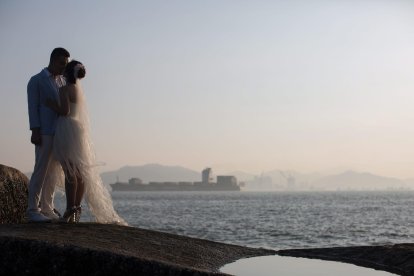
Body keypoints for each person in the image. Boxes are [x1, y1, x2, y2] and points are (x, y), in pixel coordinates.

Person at [46, 60, 126, 225]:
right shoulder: (77, 90)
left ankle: (69, 208)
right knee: (79, 171)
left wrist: (51, 104)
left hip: (66, 128)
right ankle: (76, 206)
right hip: (78, 129)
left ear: (66, 73)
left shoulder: (64, 89)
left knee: (69, 170)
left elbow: (64, 111)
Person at [27, 47, 70, 222]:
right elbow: (32, 107)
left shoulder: (61, 82)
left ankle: (47, 207)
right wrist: (35, 130)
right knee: (40, 170)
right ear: (52, 60)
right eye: (61, 63)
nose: (63, 67)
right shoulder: (36, 80)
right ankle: (32, 209)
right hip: (43, 131)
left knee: (53, 172)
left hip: (58, 131)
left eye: (65, 64)